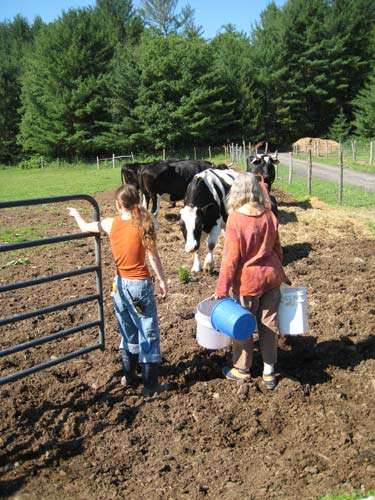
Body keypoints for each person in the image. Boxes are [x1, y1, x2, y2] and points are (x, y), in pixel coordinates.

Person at [68, 184, 168, 396]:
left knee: (128, 330)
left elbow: (85, 227)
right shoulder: (145, 222)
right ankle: (150, 385)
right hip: (140, 288)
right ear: (137, 202)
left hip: (119, 286)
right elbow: (153, 257)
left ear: (117, 204)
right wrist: (162, 280)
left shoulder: (110, 223)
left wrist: (76, 214)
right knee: (147, 331)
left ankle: (129, 376)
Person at [214, 173, 288, 390]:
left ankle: (242, 369)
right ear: (256, 190)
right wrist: (278, 270)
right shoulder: (269, 215)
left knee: (243, 327)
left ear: (236, 191)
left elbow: (230, 259)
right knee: (269, 325)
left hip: (248, 283)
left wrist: (222, 288)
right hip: (271, 279)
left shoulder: (235, 219)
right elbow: (278, 249)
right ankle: (269, 372)